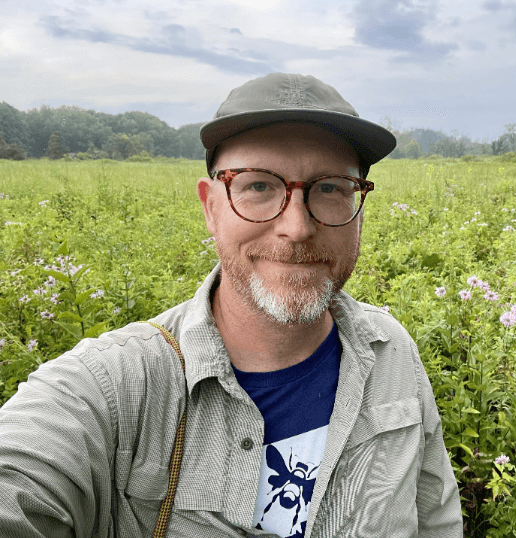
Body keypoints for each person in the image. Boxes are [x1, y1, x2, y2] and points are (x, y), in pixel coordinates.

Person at [0, 73, 462, 538]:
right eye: (258, 187)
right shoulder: (112, 387)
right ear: (210, 207)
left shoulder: (392, 353)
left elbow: (436, 520)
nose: (296, 227)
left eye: (330, 188)